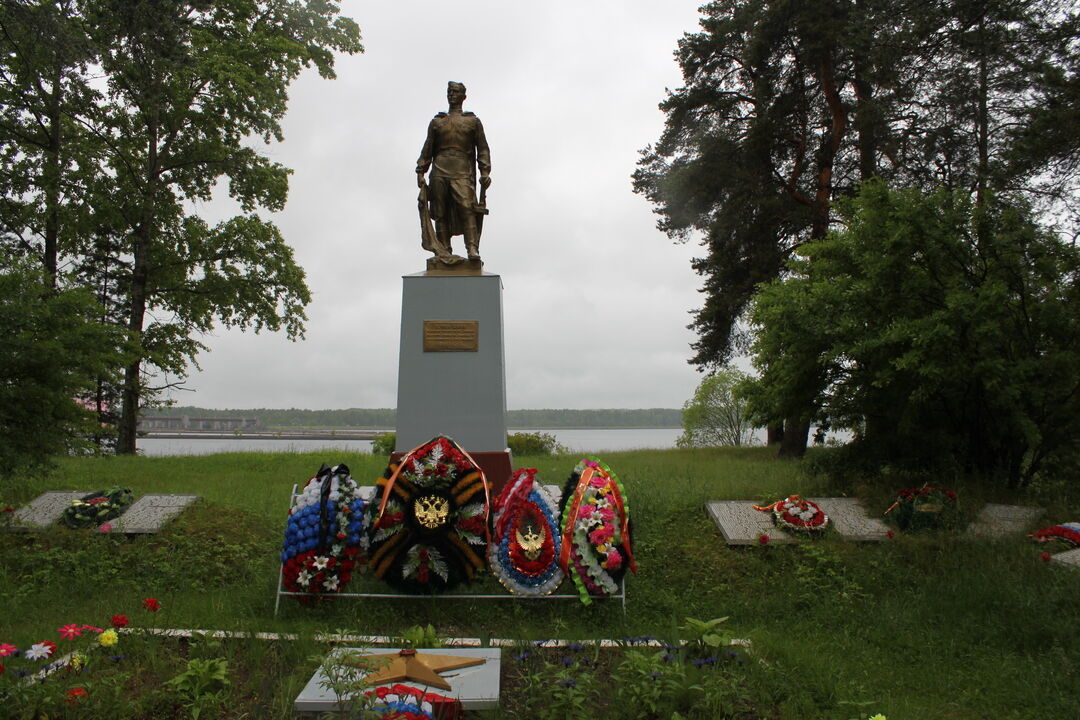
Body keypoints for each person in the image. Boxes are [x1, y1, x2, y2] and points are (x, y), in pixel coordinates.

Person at [416, 81, 491, 262]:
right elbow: (428, 148)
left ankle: (472, 249)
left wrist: (485, 171)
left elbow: (482, 149)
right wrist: (421, 170)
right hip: (440, 168)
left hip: (462, 169)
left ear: (463, 96)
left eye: (456, 92)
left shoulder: (472, 121)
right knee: (440, 211)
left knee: (467, 208)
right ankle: (444, 249)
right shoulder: (437, 122)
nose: (452, 94)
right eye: (449, 91)